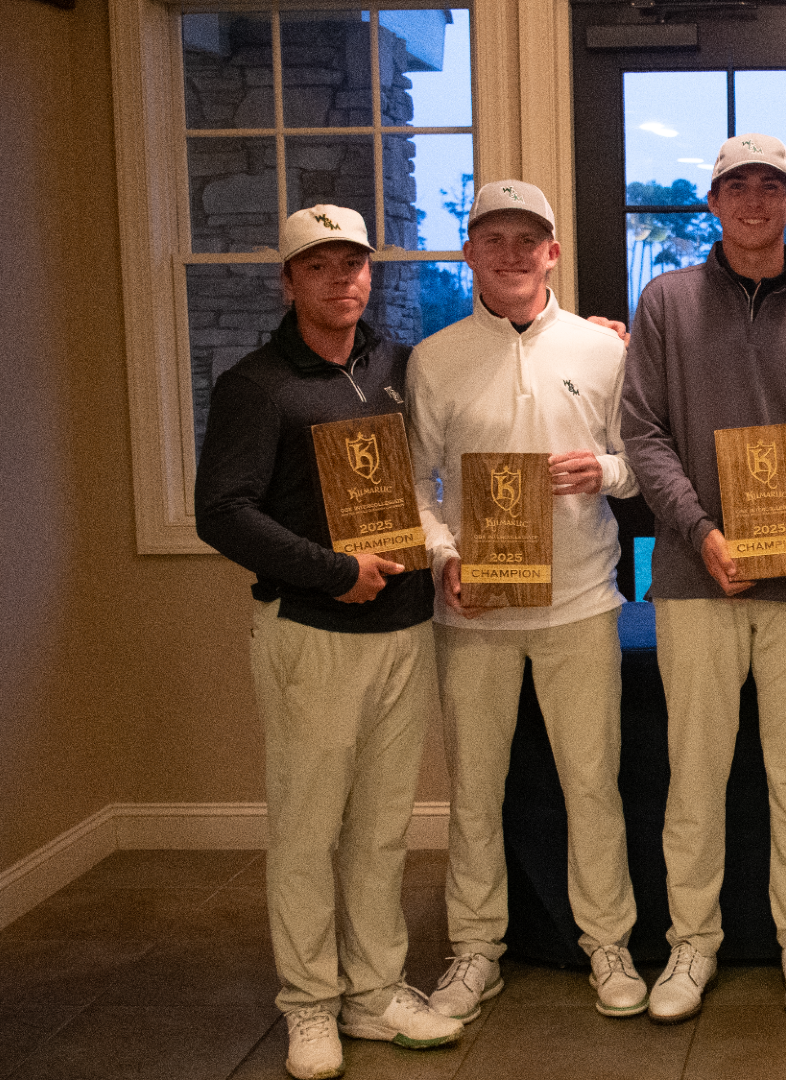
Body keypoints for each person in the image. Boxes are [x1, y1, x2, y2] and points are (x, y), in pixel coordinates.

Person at [196, 204, 464, 1079]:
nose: (341, 281)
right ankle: (308, 1003)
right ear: (288, 281)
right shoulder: (255, 384)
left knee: (382, 829)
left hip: (403, 626)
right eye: (319, 267)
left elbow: (434, 462)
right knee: (310, 829)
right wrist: (329, 569)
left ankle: (374, 992)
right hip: (313, 629)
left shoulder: (395, 365)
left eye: (353, 265)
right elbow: (222, 513)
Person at [621, 133, 786, 1023]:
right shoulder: (667, 302)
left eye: (772, 186)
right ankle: (692, 946)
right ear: (714, 200)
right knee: (695, 776)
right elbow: (643, 433)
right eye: (738, 186)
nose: (755, 201)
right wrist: (701, 533)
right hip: (698, 580)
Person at [409, 181, 648, 1023]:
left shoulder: (601, 349)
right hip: (474, 612)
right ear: (469, 252)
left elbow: (638, 458)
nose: (511, 255)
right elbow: (414, 484)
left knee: (593, 784)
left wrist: (604, 472)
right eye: (494, 240)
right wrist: (444, 557)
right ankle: (476, 951)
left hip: (582, 603)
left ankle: (608, 945)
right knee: (475, 791)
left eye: (528, 240)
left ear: (553, 252)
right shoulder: (435, 357)